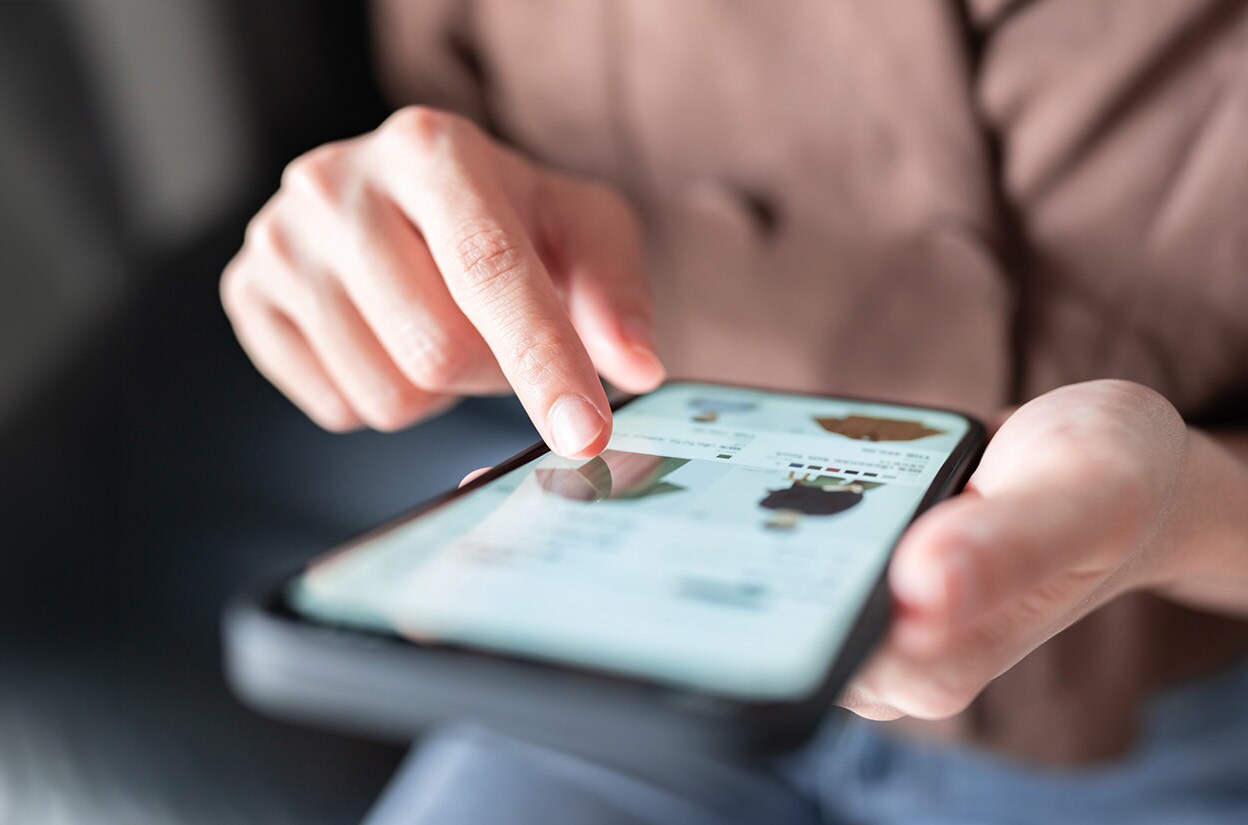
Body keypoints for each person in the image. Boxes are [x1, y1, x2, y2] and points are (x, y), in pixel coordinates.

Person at [217, 2, 1248, 822]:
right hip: (635, 650)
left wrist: (1191, 512)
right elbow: (451, 127)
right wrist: (384, 249)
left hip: (1174, 713)